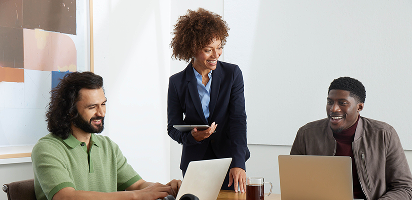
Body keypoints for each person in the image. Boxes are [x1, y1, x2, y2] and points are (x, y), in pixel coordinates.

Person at [32, 72, 181, 200]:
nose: (101, 113)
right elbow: (66, 197)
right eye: (92, 107)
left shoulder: (107, 146)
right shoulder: (47, 148)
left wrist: (166, 189)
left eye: (103, 104)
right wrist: (136, 196)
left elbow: (138, 185)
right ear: (70, 111)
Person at [168, 8, 250, 193]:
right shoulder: (177, 82)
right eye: (208, 50)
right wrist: (192, 137)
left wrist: (239, 163)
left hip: (230, 161)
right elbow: (172, 127)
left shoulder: (232, 74)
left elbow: (238, 120)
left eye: (219, 47)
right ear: (192, 48)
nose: (216, 55)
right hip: (195, 164)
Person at [290, 77, 412, 199]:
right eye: (330, 102)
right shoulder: (306, 134)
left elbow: (404, 187)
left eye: (342, 103)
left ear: (359, 107)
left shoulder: (384, 134)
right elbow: (293, 183)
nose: (333, 109)